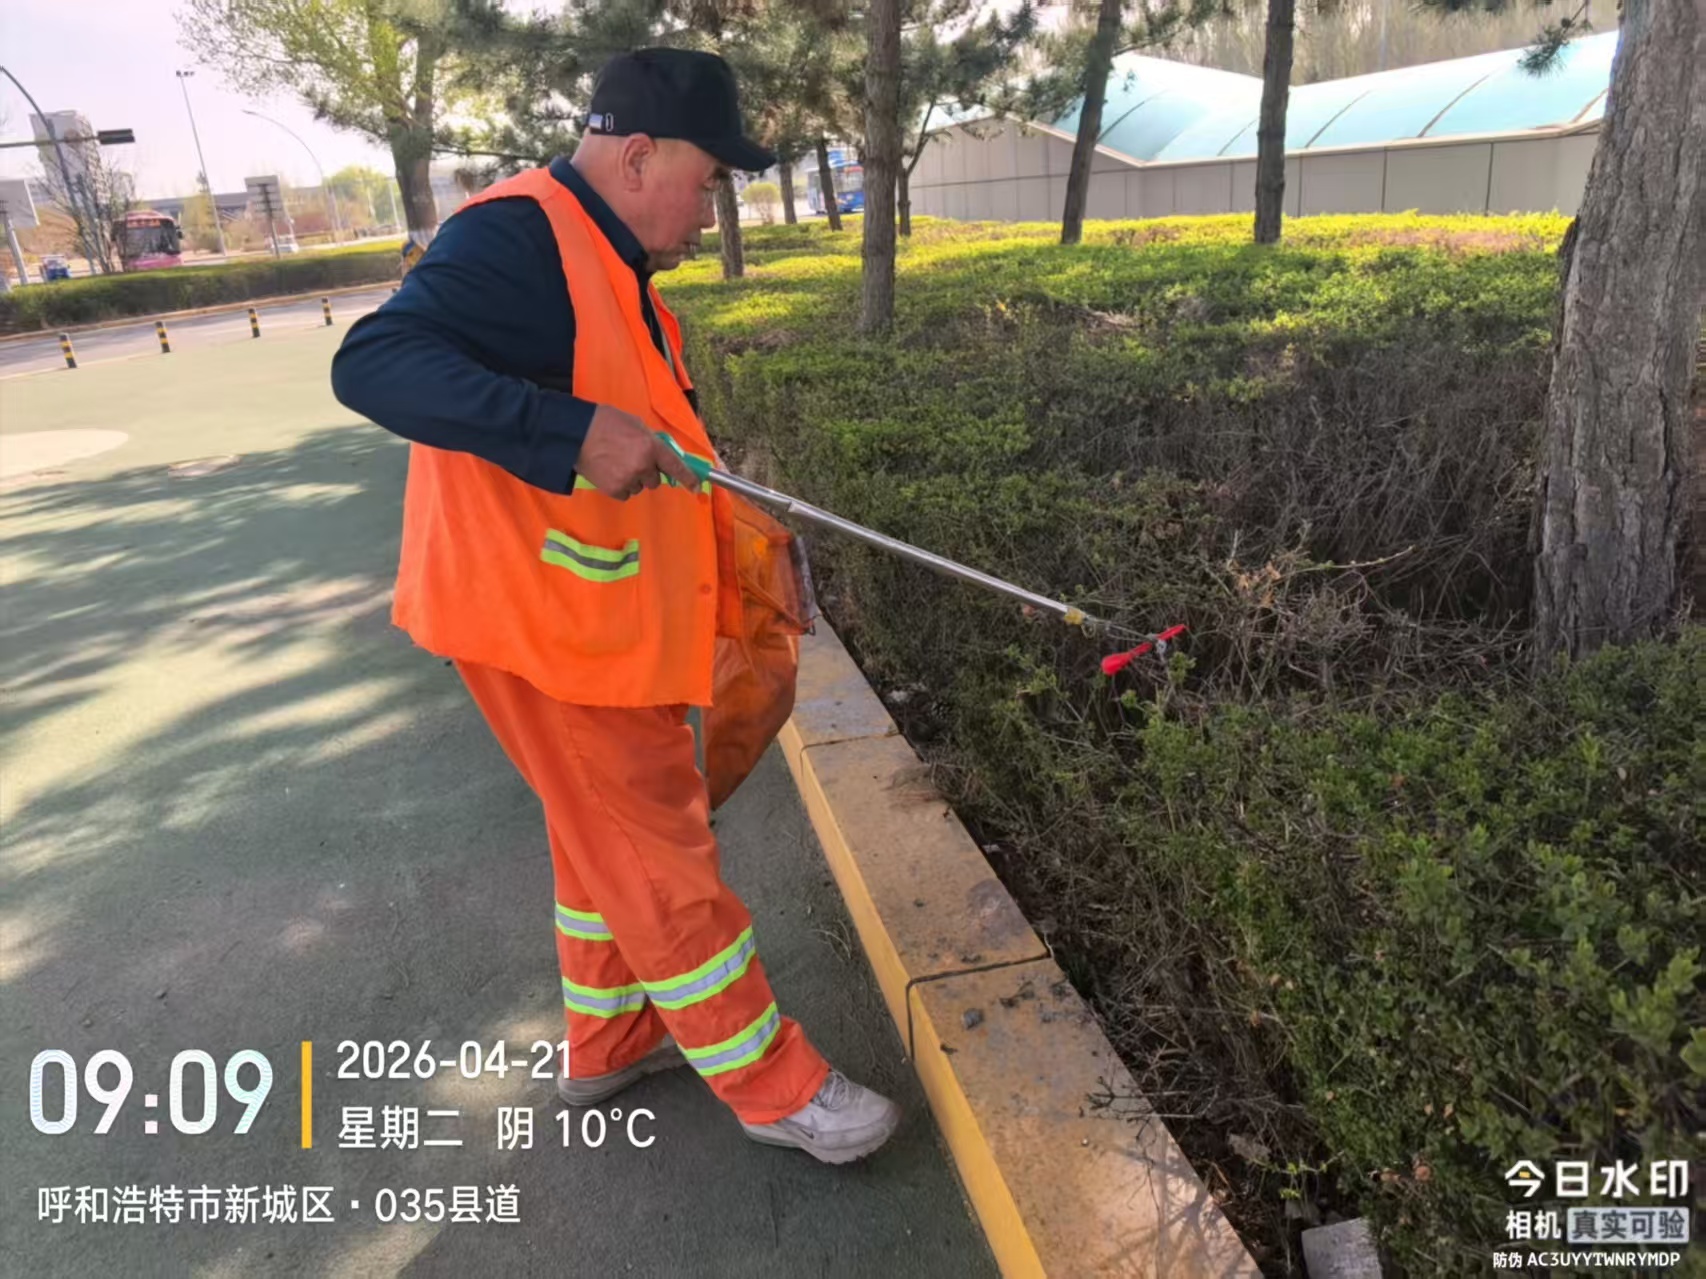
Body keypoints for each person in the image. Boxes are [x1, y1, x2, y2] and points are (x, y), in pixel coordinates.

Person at [330, 48, 901, 1166]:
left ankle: (611, 1037)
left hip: (592, 615)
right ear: (637, 157)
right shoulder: (517, 236)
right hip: (543, 624)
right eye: (706, 178)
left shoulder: (607, 253)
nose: (710, 204)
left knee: (597, 831)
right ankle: (772, 1084)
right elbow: (374, 361)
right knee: (654, 846)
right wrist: (572, 433)